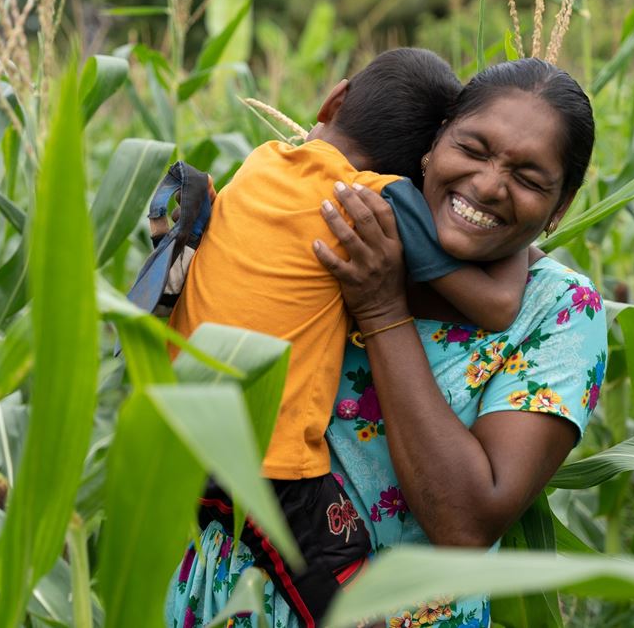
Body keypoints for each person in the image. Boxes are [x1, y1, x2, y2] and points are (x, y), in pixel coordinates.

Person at [166, 57, 606, 628]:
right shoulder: (340, 225)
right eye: (472, 150)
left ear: (560, 207)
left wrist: (381, 309)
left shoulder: (559, 311)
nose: (488, 185)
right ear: (432, 145)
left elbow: (465, 525)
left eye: (528, 179)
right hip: (219, 604)